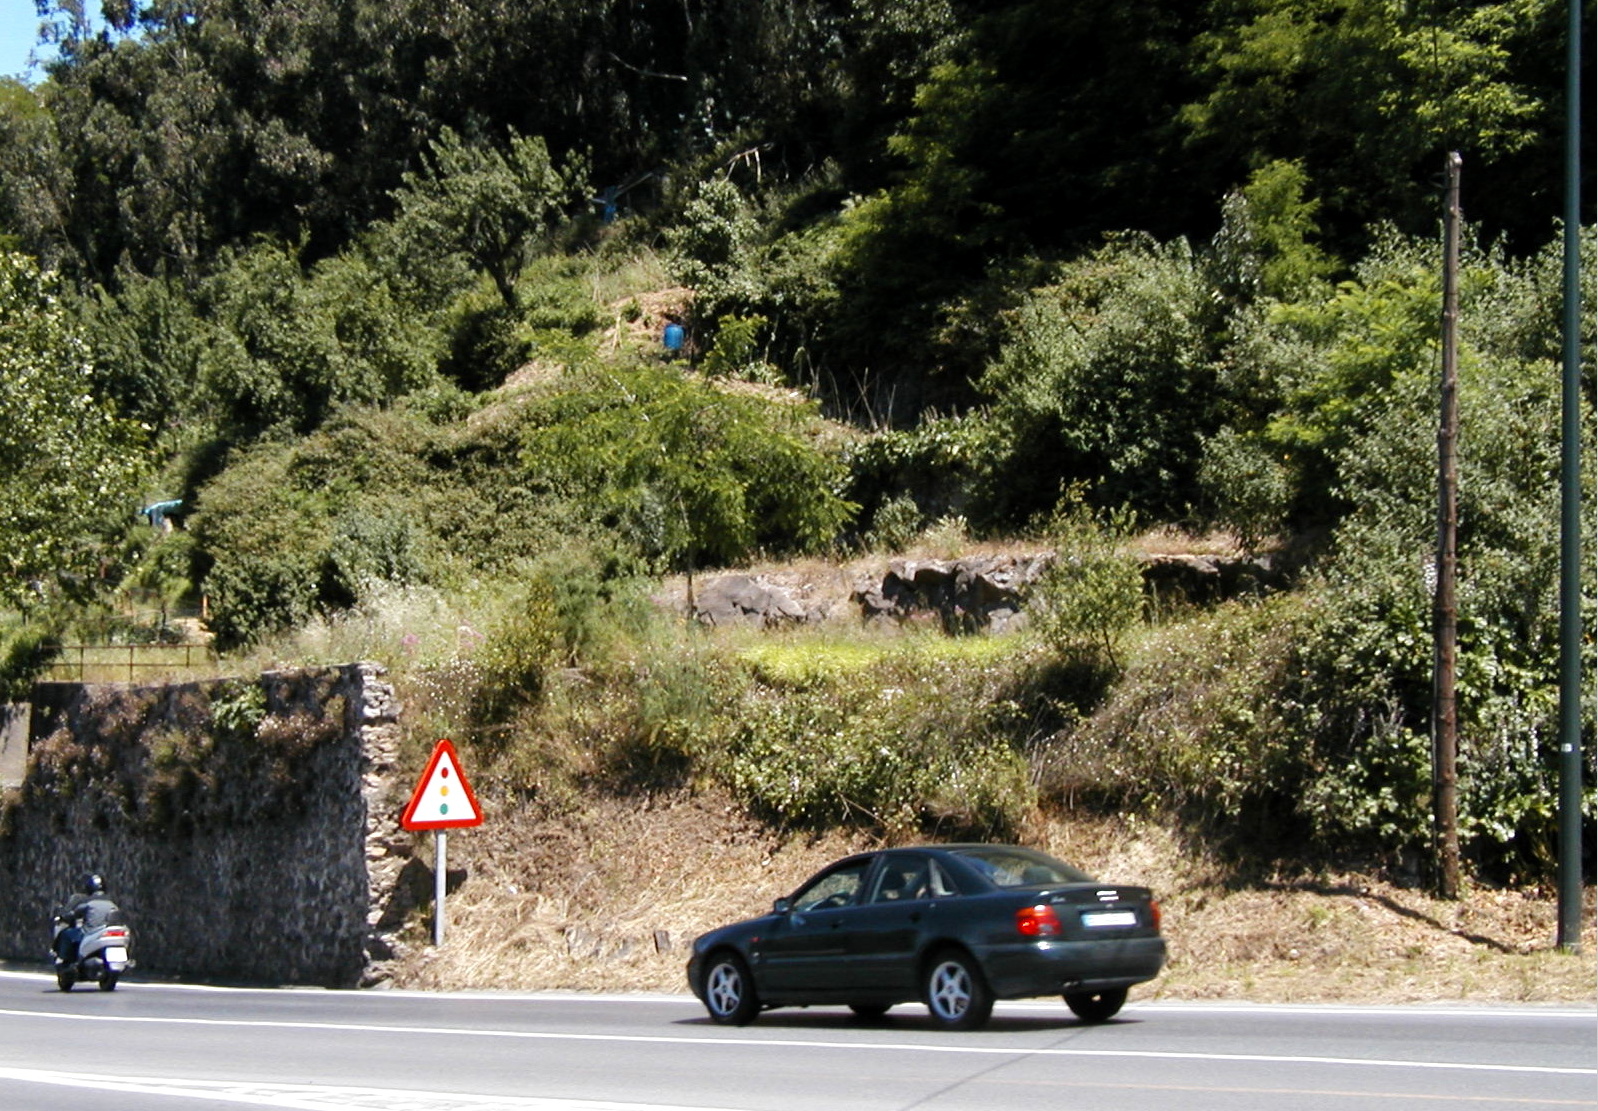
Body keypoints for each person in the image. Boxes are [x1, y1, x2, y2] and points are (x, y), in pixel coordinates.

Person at [54, 873, 119, 965]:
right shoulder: (112, 902)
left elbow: (74, 914)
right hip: (107, 932)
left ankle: (63, 959)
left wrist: (65, 916)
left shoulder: (88, 902)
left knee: (66, 934)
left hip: (90, 932)